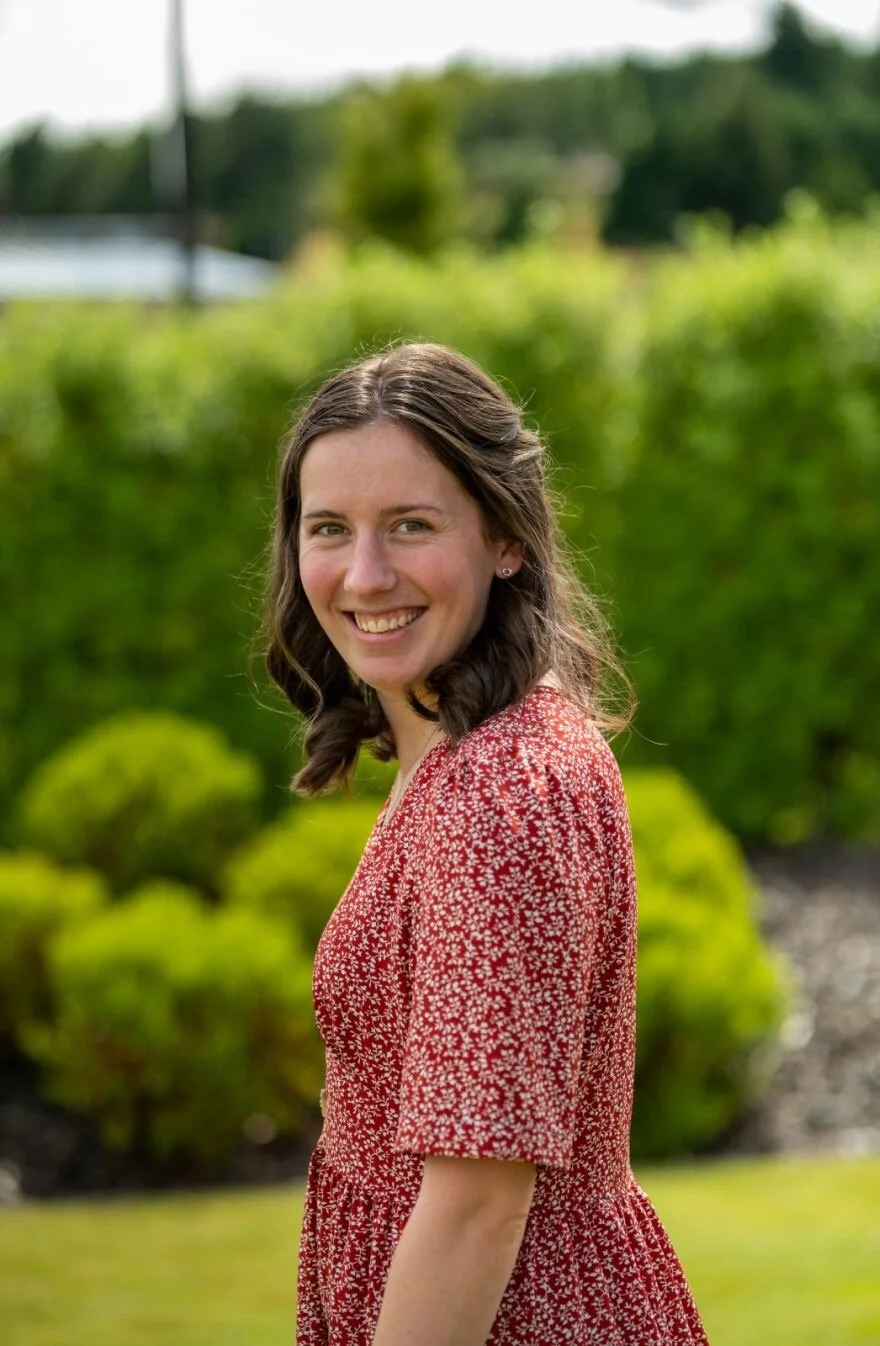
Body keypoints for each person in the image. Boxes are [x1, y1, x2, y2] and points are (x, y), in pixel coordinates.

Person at [264, 341, 710, 1346]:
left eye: (411, 525)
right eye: (328, 527)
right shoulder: (497, 751)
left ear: (506, 536)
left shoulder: (496, 801)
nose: (363, 573)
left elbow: (476, 1205)